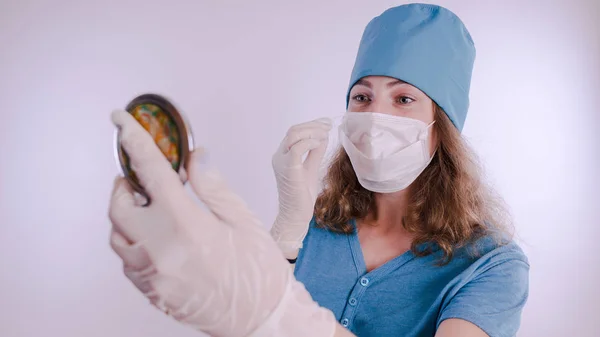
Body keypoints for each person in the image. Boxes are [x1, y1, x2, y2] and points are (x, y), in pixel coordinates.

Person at [269, 3, 529, 337]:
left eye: (403, 99)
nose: (376, 116)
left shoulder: (490, 264)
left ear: (442, 125)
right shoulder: (315, 225)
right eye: (362, 97)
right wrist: (284, 237)